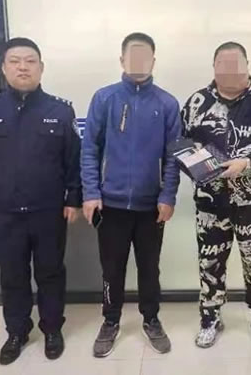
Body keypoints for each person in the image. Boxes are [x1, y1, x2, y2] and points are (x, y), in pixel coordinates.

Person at [0, 37, 82, 365]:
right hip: (5, 214)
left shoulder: (60, 111)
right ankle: (17, 331)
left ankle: (52, 328)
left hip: (49, 212)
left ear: (41, 68)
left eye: (30, 61)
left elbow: (73, 160)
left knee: (50, 272)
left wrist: (73, 198)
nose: (23, 68)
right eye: (15, 61)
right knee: (12, 274)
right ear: (4, 68)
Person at [181, 41, 251, 350]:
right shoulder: (197, 102)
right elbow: (181, 145)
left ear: (247, 65)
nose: (229, 70)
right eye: (223, 64)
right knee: (210, 262)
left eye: (235, 64)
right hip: (211, 203)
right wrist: (205, 169)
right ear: (214, 67)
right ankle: (210, 318)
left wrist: (248, 163)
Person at [81, 32, 181, 357]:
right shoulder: (104, 98)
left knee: (150, 268)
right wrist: (91, 192)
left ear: (153, 61)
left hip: (151, 206)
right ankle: (111, 320)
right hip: (110, 204)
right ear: (122, 60)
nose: (139, 61)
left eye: (145, 56)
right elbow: (89, 150)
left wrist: (168, 196)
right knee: (112, 269)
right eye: (132, 55)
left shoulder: (167, 104)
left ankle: (151, 319)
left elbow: (173, 157)